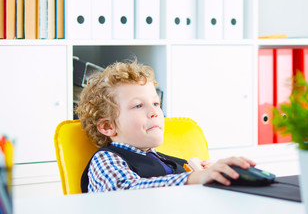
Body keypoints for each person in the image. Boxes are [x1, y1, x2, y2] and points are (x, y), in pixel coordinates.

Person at [77, 61, 255, 193]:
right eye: (138, 105)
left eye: (156, 103)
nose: (155, 112)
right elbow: (123, 191)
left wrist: (212, 176)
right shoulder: (107, 159)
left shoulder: (174, 162)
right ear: (107, 126)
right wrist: (192, 179)